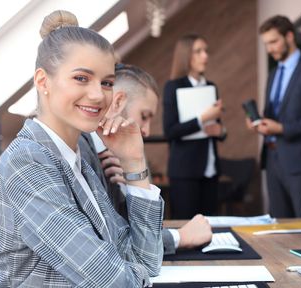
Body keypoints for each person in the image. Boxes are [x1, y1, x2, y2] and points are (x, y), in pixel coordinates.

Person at [0, 10, 164, 288]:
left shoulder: (77, 153)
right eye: (82, 78)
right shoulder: (28, 164)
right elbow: (115, 286)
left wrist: (134, 164)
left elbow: (139, 256)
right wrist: (132, 267)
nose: (98, 95)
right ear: (43, 81)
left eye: (107, 82)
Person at [82, 63, 213, 256]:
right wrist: (180, 237)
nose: (147, 131)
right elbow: (108, 245)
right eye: (144, 116)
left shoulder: (117, 156)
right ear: (118, 103)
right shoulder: (81, 150)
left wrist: (131, 185)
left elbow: (142, 231)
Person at [248, 15, 301, 218]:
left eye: (274, 42)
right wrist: (259, 122)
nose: (270, 49)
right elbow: (273, 114)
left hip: (300, 162)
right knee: (278, 225)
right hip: (272, 159)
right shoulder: (274, 73)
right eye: (266, 44)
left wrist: (282, 129)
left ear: (290, 36)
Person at [162, 34, 227, 219]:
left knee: (210, 224)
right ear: (186, 56)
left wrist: (221, 131)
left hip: (211, 169)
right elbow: (170, 131)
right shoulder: (173, 87)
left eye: (206, 51)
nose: (205, 56)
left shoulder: (212, 87)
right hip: (185, 171)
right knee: (186, 224)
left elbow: (218, 127)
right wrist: (202, 118)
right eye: (198, 51)